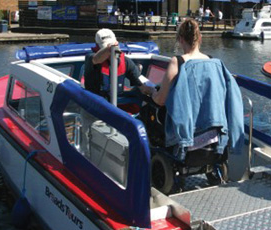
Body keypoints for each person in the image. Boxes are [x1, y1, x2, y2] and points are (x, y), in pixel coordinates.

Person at [139, 19, 244, 161]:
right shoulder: (215, 63)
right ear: (200, 38)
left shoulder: (178, 62)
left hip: (187, 134)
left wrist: (150, 91)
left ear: (180, 39)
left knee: (148, 113)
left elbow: (161, 100)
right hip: (215, 129)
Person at [83, 29, 143, 99]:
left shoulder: (125, 61)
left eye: (113, 46)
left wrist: (151, 90)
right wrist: (109, 49)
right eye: (104, 47)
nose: (111, 52)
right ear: (97, 47)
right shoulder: (90, 58)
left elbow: (139, 81)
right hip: (95, 103)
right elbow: (96, 59)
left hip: (117, 102)